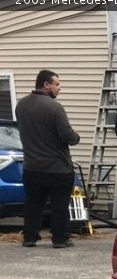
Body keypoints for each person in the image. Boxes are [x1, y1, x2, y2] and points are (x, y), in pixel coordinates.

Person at [15, 69, 80, 248]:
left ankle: (29, 236)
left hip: (31, 166)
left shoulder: (21, 105)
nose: (59, 88)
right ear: (46, 84)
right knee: (59, 204)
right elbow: (66, 135)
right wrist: (76, 137)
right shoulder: (55, 108)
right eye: (56, 84)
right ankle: (59, 238)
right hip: (57, 167)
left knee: (33, 203)